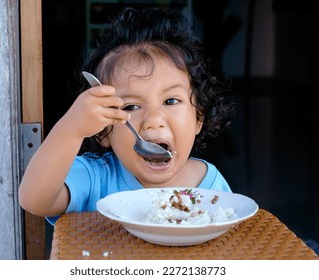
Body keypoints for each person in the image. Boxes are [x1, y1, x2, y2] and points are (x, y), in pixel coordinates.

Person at [18, 7, 235, 224]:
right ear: (103, 130)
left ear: (198, 117)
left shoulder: (210, 185)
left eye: (170, 101)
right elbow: (35, 201)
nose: (153, 121)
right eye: (131, 106)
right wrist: (71, 130)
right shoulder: (94, 177)